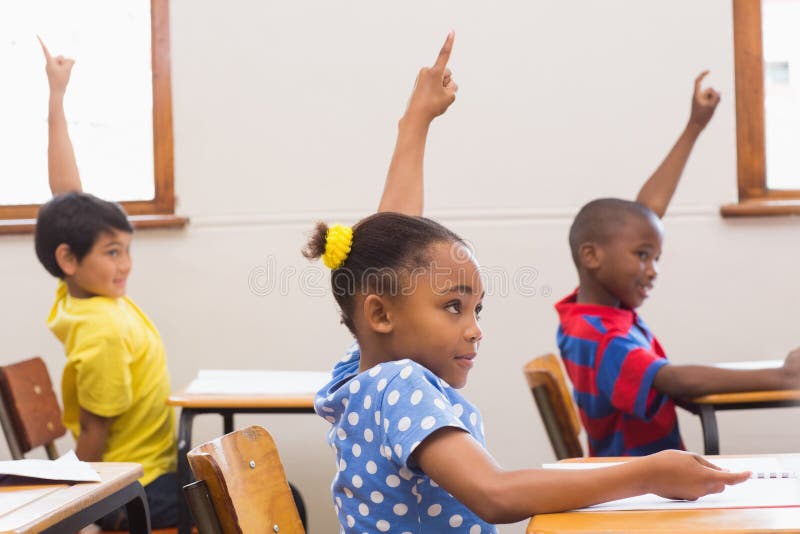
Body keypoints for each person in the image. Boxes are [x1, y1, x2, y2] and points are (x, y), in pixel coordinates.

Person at [305, 34, 749, 533]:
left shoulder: (359, 376)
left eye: (477, 310)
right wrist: (648, 472)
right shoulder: (399, 385)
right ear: (381, 315)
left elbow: (391, 244)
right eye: (453, 306)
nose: (475, 329)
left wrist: (416, 123)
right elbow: (496, 496)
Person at [556, 72, 800, 457]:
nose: (653, 269)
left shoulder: (588, 316)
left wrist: (694, 126)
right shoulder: (602, 338)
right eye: (642, 256)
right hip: (638, 490)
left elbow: (644, 215)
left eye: (656, 257)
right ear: (592, 256)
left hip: (640, 478)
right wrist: (783, 376)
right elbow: (672, 380)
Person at [33, 37, 178, 530]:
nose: (125, 266)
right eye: (112, 253)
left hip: (149, 469)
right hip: (134, 485)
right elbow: (94, 436)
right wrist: (70, 514)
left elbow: (65, 195)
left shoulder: (81, 298)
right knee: (267, 497)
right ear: (68, 259)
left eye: (127, 251)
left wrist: (57, 96)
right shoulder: (101, 330)